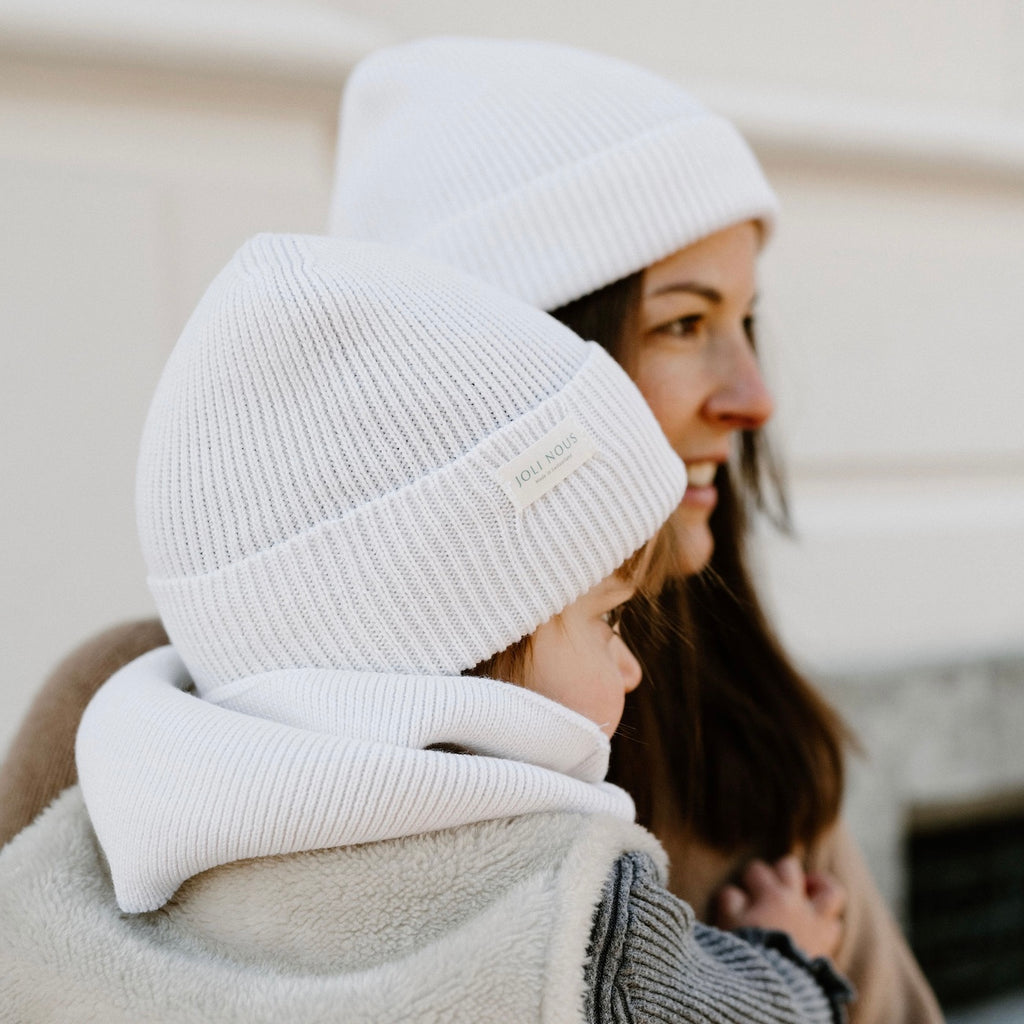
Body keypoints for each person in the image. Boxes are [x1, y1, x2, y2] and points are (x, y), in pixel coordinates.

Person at [0, 38, 942, 1024]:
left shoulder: (739, 738)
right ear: (496, 371)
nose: (754, 397)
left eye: (744, 321)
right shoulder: (128, 724)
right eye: (681, 322)